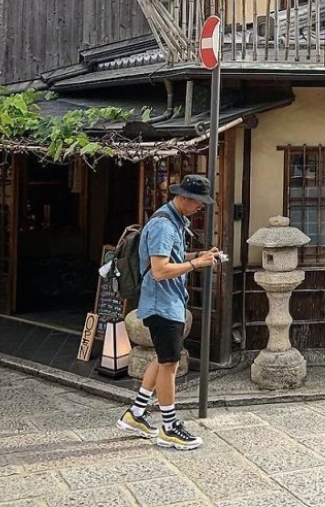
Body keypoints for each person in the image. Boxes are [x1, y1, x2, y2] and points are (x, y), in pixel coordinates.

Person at [116, 174, 219, 450]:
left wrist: (199, 257)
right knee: (170, 364)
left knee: (164, 360)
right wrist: (197, 265)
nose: (201, 208)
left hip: (165, 303)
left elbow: (168, 260)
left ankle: (136, 414)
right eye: (198, 202)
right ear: (184, 197)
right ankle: (169, 427)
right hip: (162, 305)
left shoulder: (171, 220)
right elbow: (160, 270)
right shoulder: (164, 225)